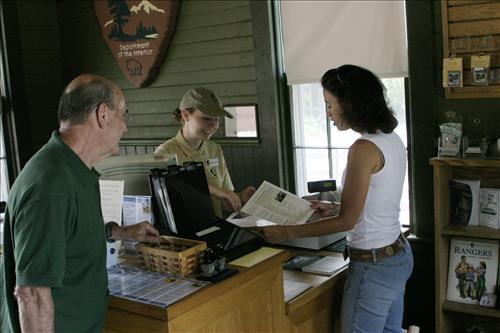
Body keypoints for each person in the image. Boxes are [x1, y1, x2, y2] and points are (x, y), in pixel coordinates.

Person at [255, 65, 414, 333]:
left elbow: (347, 221)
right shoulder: (390, 138)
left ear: (350, 103)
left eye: (329, 104)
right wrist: (332, 206)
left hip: (373, 267)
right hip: (397, 254)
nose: (327, 112)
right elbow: (375, 202)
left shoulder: (363, 149)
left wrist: (283, 231)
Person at [0, 74, 160, 332]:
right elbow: (31, 293)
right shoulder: (51, 184)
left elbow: (68, 237)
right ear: (103, 114)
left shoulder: (73, 169)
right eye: (123, 115)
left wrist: (120, 232)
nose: (125, 127)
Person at [154, 87, 255, 218]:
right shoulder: (165, 152)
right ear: (185, 115)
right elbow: (166, 198)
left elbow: (223, 198)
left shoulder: (215, 150)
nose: (213, 125)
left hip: (215, 228)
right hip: (184, 234)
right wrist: (214, 190)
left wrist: (238, 198)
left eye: (216, 119)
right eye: (206, 118)